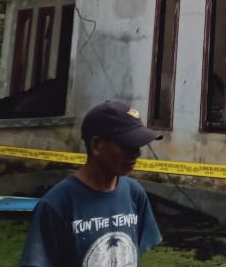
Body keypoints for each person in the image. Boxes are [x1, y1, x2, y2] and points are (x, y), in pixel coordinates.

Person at [20, 100, 164, 266]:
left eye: (138, 146)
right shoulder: (56, 205)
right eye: (127, 145)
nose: (136, 153)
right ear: (96, 145)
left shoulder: (134, 193)